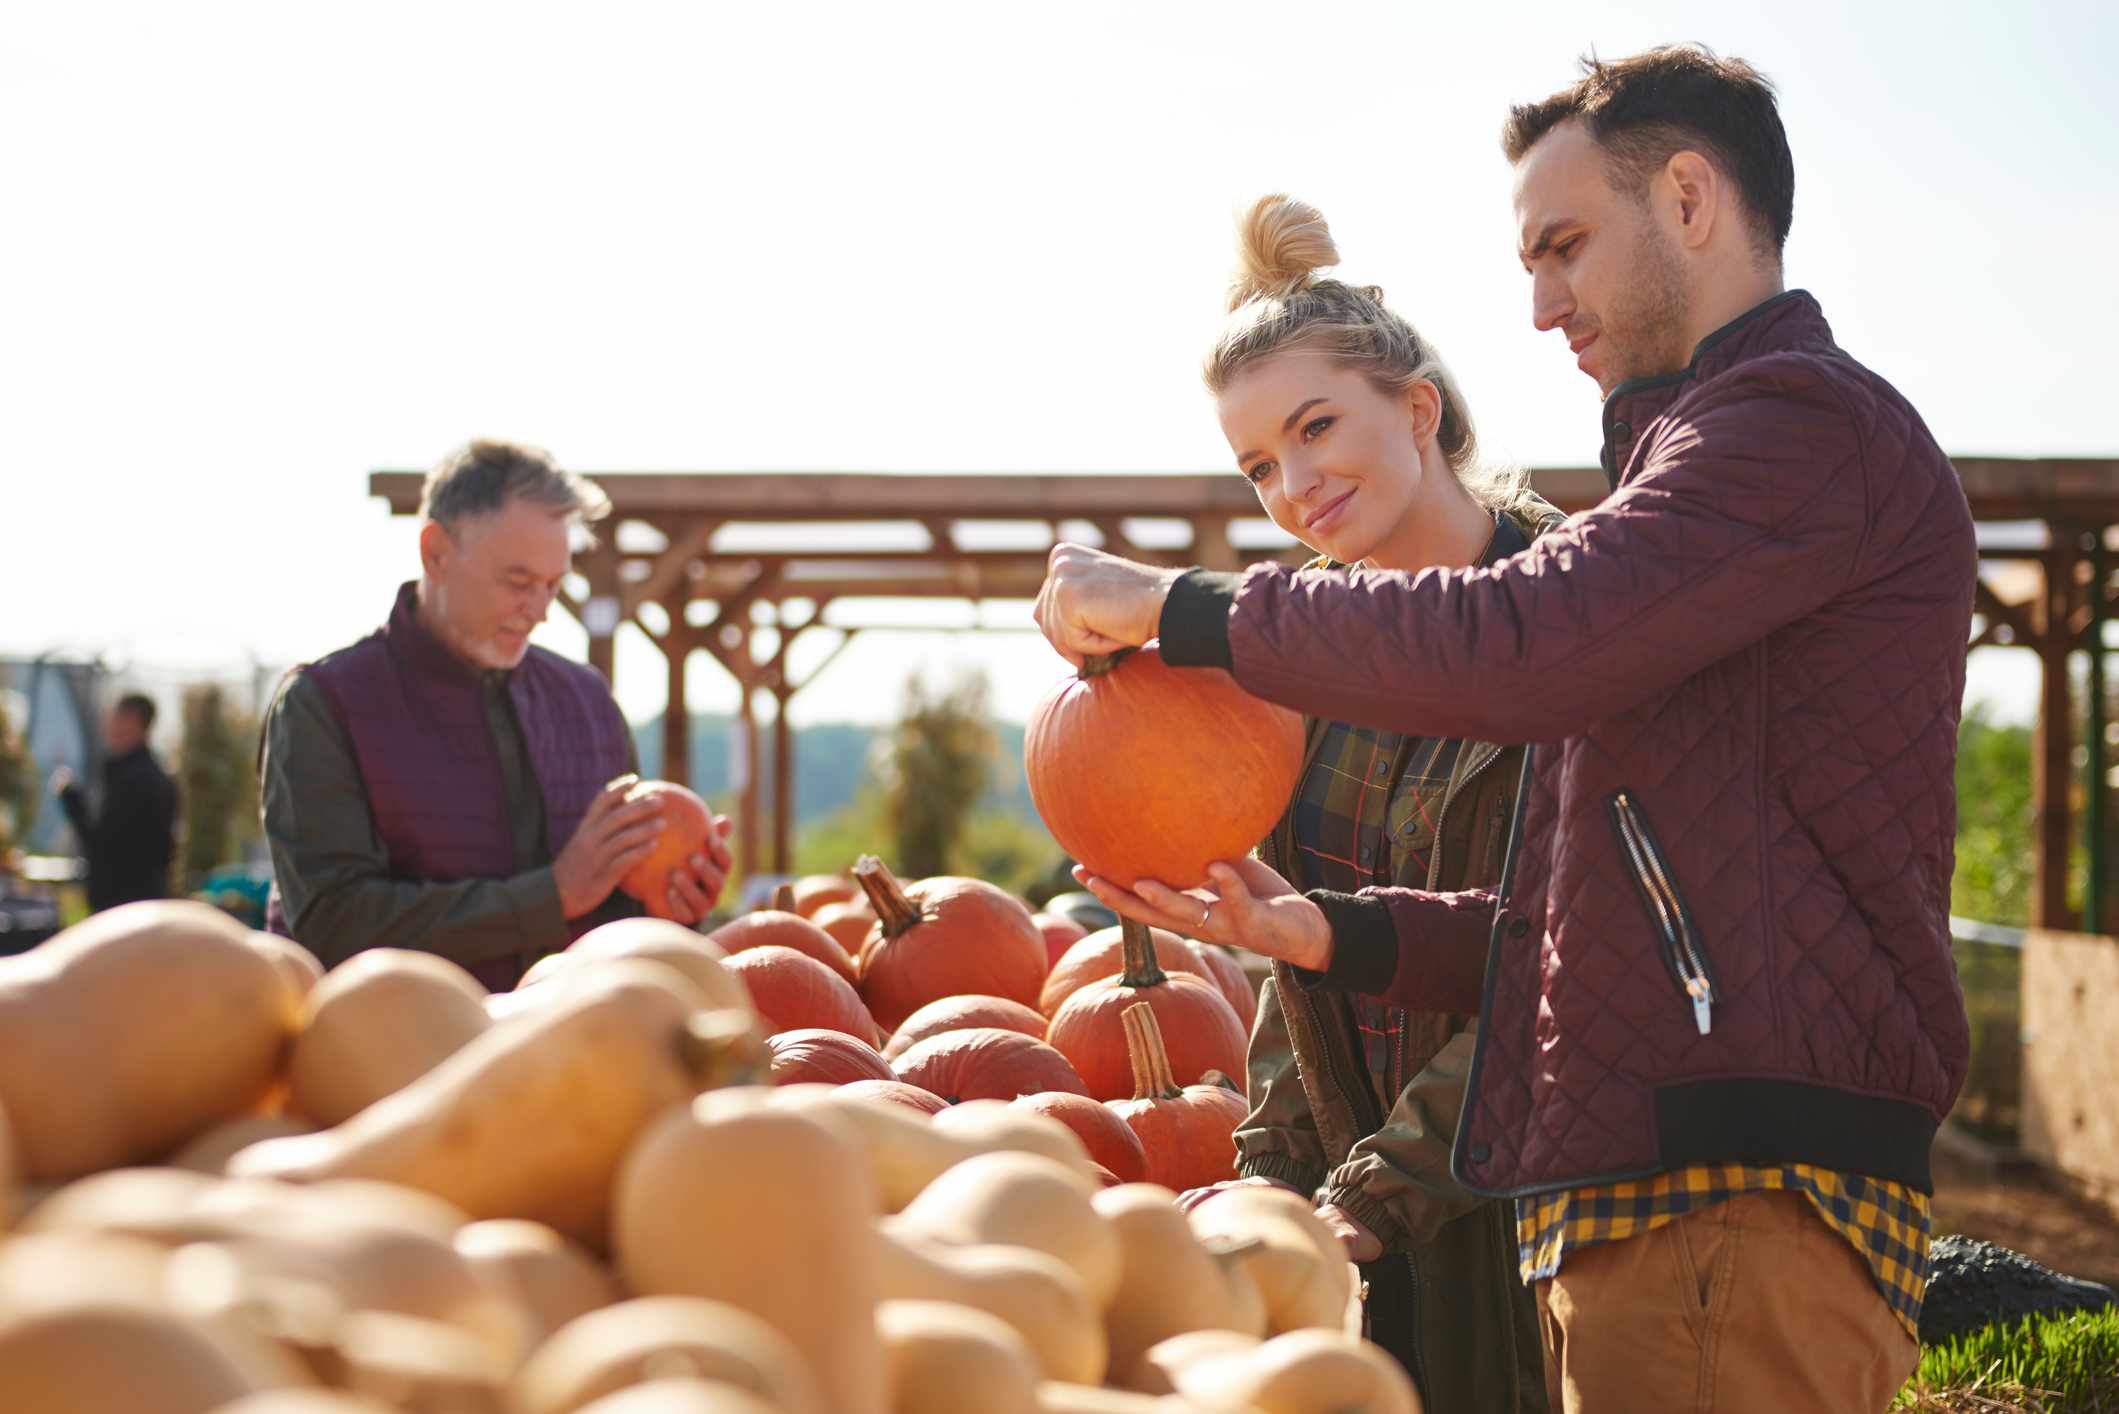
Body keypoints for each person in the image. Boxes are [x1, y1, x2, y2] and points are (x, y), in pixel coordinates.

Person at [1037, 46, 1971, 1414]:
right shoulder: (1700, 485)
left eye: (1563, 246)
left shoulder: (1791, 428)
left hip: (1732, 1189)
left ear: (1691, 200)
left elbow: (1522, 640)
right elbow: (1573, 931)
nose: (1535, 306)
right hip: (1657, 1204)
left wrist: (1175, 610)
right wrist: (1324, 937)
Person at [1171, 194, 1551, 1411]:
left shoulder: (1574, 619)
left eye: (1315, 426)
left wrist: (1372, 1196)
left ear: (1419, 409)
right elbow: (1300, 958)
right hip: (1361, 1222)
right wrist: (1273, 1177)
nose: (1292, 484)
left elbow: (1563, 968)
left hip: (1534, 1209)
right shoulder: (1298, 660)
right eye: (1256, 465)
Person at [260, 439, 734, 989]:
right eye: (517, 581)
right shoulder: (323, 704)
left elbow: (611, 920)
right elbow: (332, 923)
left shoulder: (589, 703)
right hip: (388, 1062)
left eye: (553, 585)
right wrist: (550, 896)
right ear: (435, 552)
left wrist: (670, 907)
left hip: (572, 1054)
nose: (538, 609)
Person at [52, 693, 178, 912]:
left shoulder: (133, 780)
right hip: (148, 898)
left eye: (115, 717)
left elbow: (101, 843)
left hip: (118, 902)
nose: (108, 725)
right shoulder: (157, 775)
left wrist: (70, 797)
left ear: (134, 721)